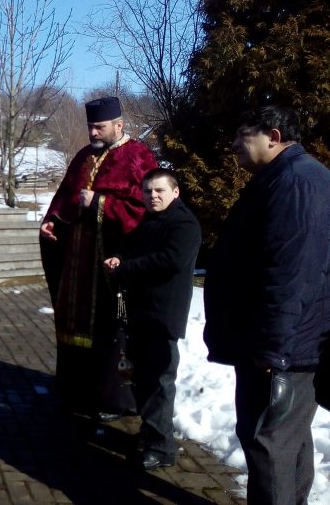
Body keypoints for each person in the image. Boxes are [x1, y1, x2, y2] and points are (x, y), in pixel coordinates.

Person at [203, 105, 330, 504]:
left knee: (268, 440)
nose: (233, 145)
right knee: (285, 439)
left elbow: (292, 271)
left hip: (282, 344)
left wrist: (274, 345)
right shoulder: (286, 177)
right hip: (280, 341)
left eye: (242, 135)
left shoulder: (295, 182)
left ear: (273, 137)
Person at [39, 96, 157, 419]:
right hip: (78, 261)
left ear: (119, 125)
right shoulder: (82, 157)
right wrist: (52, 220)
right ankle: (75, 389)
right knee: (74, 323)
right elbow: (64, 195)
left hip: (113, 260)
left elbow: (142, 208)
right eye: (90, 125)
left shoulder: (138, 157)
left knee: (110, 328)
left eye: (99, 126)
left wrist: (99, 203)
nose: (93, 131)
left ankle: (113, 399)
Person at [102, 169, 201, 470]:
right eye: (148, 191)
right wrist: (120, 257)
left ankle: (162, 447)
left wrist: (125, 270)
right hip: (141, 311)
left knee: (159, 381)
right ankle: (150, 432)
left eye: (159, 190)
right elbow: (134, 250)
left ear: (176, 192)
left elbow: (168, 261)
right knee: (143, 378)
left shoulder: (183, 223)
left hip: (162, 315)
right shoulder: (151, 220)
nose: (152, 196)